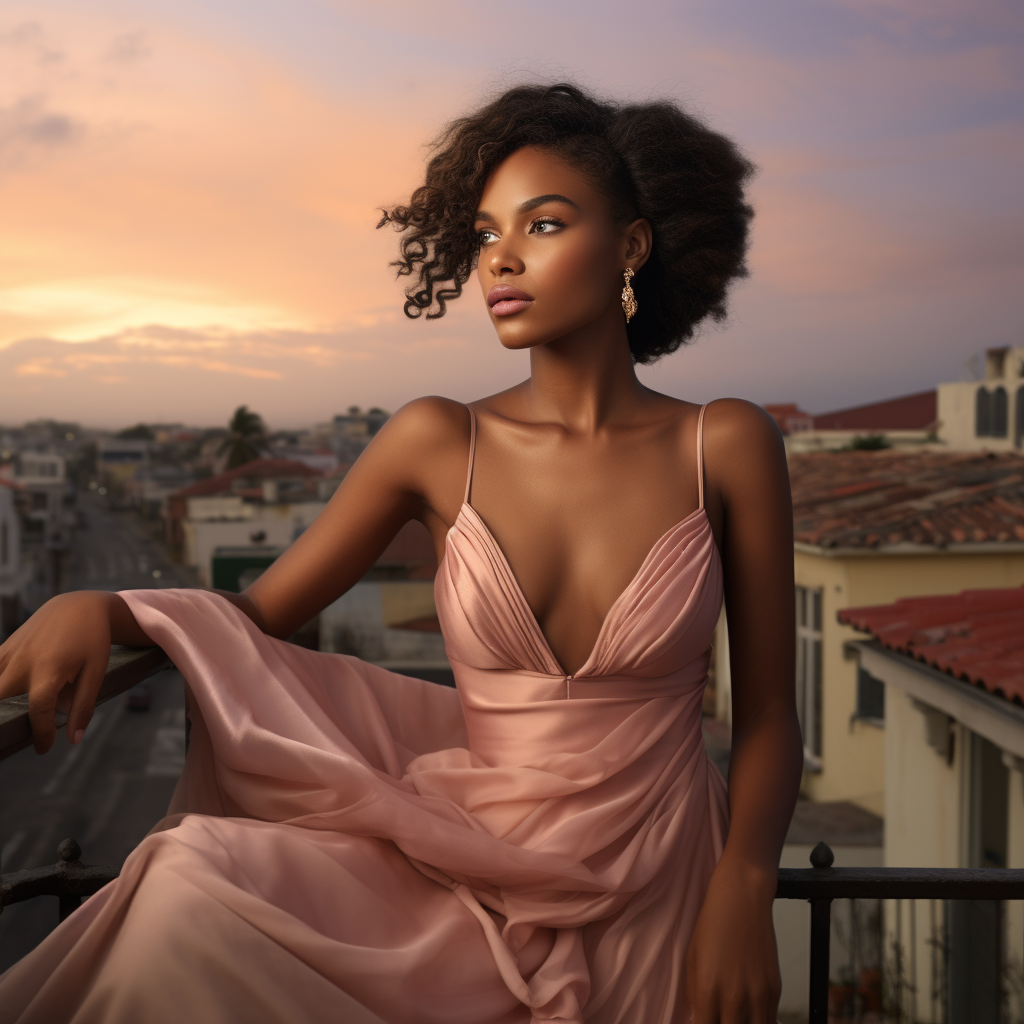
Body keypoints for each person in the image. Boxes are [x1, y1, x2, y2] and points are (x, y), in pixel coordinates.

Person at [0, 83, 802, 1024]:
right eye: (485, 232)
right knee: (187, 885)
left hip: (663, 880)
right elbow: (260, 614)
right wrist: (106, 608)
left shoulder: (727, 443)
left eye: (543, 224)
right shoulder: (436, 440)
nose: (500, 256)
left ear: (630, 246)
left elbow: (770, 719)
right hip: (468, 861)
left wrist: (746, 886)